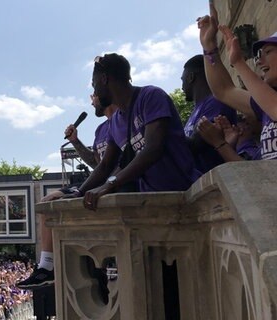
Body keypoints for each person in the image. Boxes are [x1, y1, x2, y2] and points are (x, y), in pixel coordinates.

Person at [15, 96, 118, 290]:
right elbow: (97, 163)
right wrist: (76, 141)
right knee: (47, 202)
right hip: (100, 181)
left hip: (113, 184)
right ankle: (46, 267)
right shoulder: (101, 129)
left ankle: (48, 266)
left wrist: (83, 191)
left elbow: (110, 166)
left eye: (94, 96)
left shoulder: (121, 122)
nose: (91, 102)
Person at [77, 53, 201, 210]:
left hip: (183, 193)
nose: (95, 91)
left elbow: (153, 149)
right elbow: (105, 165)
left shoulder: (151, 97)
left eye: (94, 84)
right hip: (150, 200)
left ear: (104, 79)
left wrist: (109, 184)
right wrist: (79, 192)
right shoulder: (115, 121)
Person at [197, 2, 277, 160]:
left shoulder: (270, 104)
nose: (259, 61)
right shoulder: (263, 105)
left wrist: (238, 63)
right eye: (258, 55)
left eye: (268, 52)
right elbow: (224, 91)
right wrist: (209, 47)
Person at [181, 54, 237, 172]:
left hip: (217, 182)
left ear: (191, 77)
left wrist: (165, 129)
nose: (182, 87)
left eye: (183, 80)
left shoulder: (216, 102)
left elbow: (197, 145)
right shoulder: (196, 111)